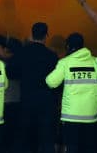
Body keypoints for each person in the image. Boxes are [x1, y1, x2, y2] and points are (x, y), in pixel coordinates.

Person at [6, 22, 58, 153]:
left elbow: (10, 72)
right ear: (46, 36)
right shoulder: (52, 56)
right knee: (47, 141)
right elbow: (57, 81)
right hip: (47, 103)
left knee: (25, 140)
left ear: (31, 34)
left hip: (26, 102)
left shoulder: (22, 52)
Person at [46, 32, 97, 153]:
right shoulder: (94, 62)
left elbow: (51, 82)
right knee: (88, 148)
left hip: (71, 116)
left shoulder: (65, 62)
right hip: (90, 115)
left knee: (72, 147)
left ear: (68, 46)